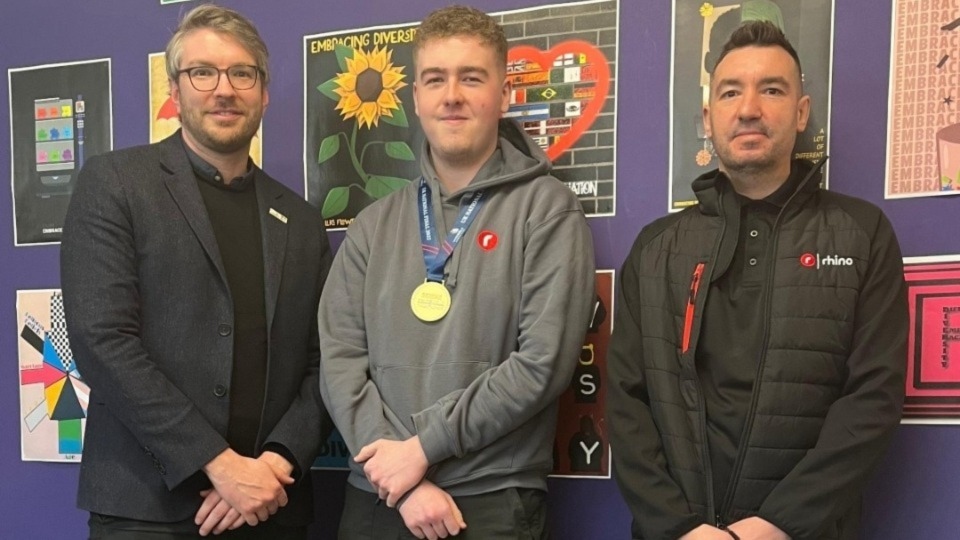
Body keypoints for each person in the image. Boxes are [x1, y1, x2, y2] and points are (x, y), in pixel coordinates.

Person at [607, 21, 907, 540]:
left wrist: (775, 527)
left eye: (772, 89)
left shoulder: (862, 234)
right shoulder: (657, 248)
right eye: (730, 92)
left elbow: (871, 402)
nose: (749, 108)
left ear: (801, 113)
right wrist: (679, 527)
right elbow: (625, 402)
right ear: (708, 118)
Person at [318, 5, 595, 539]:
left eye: (472, 78)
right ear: (415, 97)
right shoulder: (373, 225)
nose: (452, 96)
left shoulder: (548, 210)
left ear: (504, 94)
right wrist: (402, 477)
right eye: (435, 79)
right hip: (378, 497)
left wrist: (422, 449)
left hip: (490, 501)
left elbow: (542, 364)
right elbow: (339, 361)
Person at [61, 4, 331, 538]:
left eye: (242, 73)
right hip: (146, 509)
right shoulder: (116, 184)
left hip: (272, 507)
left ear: (264, 92)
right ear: (176, 90)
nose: (224, 89)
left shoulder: (299, 219)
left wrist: (273, 464)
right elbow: (102, 340)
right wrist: (220, 465)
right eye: (202, 72)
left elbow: (328, 361)